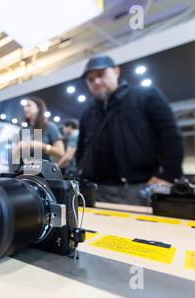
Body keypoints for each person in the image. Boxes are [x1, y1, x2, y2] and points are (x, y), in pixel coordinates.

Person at [76, 55, 184, 205]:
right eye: (90, 79)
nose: (96, 81)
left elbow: (169, 136)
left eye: (101, 74)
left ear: (116, 72)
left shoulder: (145, 95)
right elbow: (81, 149)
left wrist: (169, 176)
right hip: (98, 190)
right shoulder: (88, 113)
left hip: (141, 187)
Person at [16, 96, 65, 163]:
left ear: (38, 108)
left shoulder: (50, 127)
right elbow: (16, 155)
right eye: (24, 106)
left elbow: (60, 152)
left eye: (29, 105)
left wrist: (42, 146)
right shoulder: (23, 130)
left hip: (43, 169)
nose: (25, 109)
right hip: (23, 168)